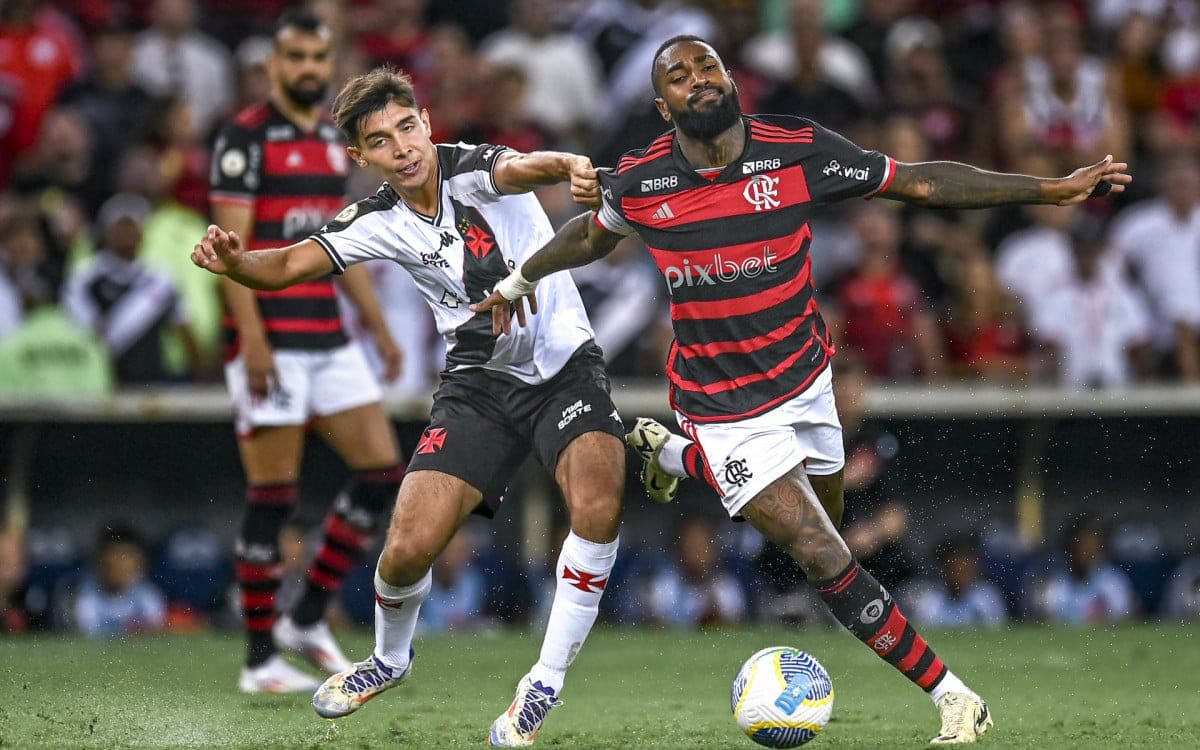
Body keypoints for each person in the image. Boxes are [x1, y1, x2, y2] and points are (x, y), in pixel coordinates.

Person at [474, 35, 1131, 745]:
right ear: (663, 106)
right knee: (823, 552)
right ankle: (955, 697)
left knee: (824, 535)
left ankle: (675, 459)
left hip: (807, 384)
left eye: (708, 65)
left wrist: (1048, 188)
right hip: (723, 408)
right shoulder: (642, 181)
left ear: (732, 82)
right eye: (679, 74)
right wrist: (517, 281)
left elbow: (918, 181)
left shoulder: (796, 149)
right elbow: (588, 237)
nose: (698, 78)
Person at [192, 65, 626, 748]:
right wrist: (237, 262)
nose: (403, 146)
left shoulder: (473, 168)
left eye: (407, 126)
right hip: (477, 386)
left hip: (565, 369)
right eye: (381, 140)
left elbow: (522, 168)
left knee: (598, 504)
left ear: (426, 121)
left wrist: (568, 163)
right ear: (360, 158)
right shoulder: (377, 219)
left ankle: (542, 683)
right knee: (402, 553)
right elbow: (290, 265)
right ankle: (389, 659)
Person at [207, 9, 408, 694]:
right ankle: (260, 658)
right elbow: (229, 253)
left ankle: (308, 615)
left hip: (328, 333)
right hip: (272, 342)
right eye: (295, 58)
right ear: (274, 66)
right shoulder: (244, 138)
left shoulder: (332, 138)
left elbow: (335, 245)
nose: (308, 71)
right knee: (273, 494)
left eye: (318, 59)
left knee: (382, 472)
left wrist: (377, 326)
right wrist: (252, 340)